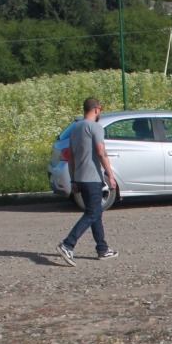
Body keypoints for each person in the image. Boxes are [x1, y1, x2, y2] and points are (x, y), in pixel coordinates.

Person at [57, 97, 118, 265]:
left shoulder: (75, 128)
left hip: (80, 178)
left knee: (95, 213)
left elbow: (71, 156)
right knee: (92, 213)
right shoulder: (95, 127)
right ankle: (67, 244)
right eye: (100, 110)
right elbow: (101, 152)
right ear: (96, 109)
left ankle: (102, 249)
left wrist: (73, 180)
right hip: (92, 178)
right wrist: (110, 175)